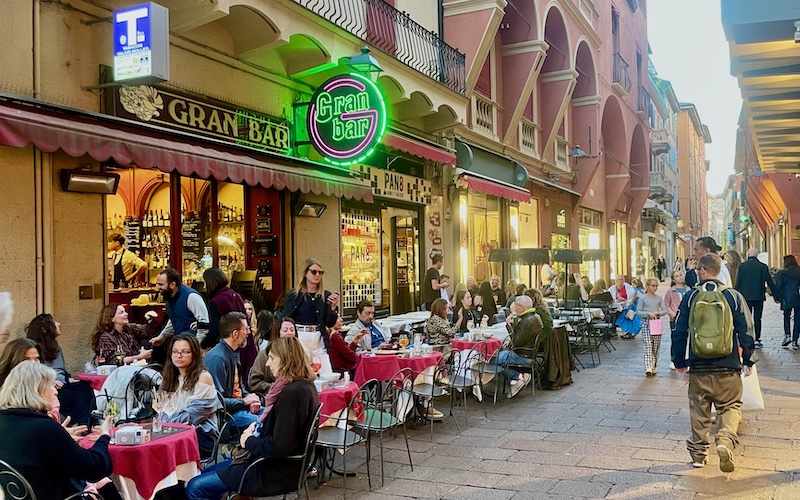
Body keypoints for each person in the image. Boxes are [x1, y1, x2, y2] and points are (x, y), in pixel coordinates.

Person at [185, 336, 319, 500]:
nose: (268, 363)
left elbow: (280, 446)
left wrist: (247, 441)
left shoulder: (293, 393)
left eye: (271, 358)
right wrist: (256, 428)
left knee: (195, 487)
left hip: (271, 471)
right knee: (204, 475)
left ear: (286, 359)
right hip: (278, 465)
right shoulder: (304, 386)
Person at [672, 253, 753, 472]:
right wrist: (748, 359)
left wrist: (679, 360)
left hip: (699, 366)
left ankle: (699, 455)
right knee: (731, 406)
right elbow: (746, 329)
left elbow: (679, 330)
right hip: (729, 366)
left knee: (699, 409)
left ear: (702, 271)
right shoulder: (733, 296)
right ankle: (725, 441)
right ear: (719, 270)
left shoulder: (690, 297)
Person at [0, 361, 114, 500]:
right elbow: (93, 469)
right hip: (57, 495)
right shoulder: (44, 428)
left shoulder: (8, 422)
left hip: (15, 495)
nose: (55, 391)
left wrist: (63, 436)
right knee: (105, 486)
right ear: (37, 389)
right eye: (52, 386)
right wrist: (104, 437)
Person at [159, 333, 221, 456]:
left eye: (185, 352)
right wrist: (167, 423)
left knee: (163, 449)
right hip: (174, 431)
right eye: (175, 352)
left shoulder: (203, 377)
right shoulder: (169, 378)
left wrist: (167, 423)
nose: (179, 356)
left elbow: (192, 416)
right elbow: (161, 411)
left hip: (201, 435)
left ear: (194, 354)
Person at [280, 259, 338, 374]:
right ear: (305, 273)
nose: (317, 275)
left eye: (320, 273)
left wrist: (333, 308)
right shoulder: (295, 294)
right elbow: (286, 316)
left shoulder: (325, 295)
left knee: (326, 372)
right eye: (314, 272)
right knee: (302, 372)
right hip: (301, 335)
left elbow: (329, 323)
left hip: (318, 336)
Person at [205, 311, 263, 429]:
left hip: (238, 409)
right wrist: (244, 402)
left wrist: (251, 400)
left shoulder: (233, 352)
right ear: (235, 334)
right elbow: (216, 401)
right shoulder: (217, 358)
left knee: (273, 416)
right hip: (227, 416)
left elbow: (240, 389)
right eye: (246, 329)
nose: (248, 332)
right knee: (265, 423)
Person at [495, 295, 543, 398]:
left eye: (515, 306)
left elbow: (515, 342)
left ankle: (517, 378)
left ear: (521, 308)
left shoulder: (526, 321)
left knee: (492, 360)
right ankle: (519, 378)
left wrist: (509, 325)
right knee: (498, 360)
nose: (514, 308)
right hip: (529, 354)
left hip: (522, 356)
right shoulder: (535, 317)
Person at [150, 268, 210, 346]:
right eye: (157, 284)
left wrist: (196, 347)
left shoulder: (191, 297)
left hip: (193, 345)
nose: (157, 287)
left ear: (172, 285)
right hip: (181, 344)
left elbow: (204, 324)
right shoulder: (170, 297)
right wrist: (162, 337)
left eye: (161, 284)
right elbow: (173, 319)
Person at [735, 248, 777, 349]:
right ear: (757, 255)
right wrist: (776, 295)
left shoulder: (742, 266)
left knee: (746, 318)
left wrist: (735, 294)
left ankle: (748, 338)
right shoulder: (763, 267)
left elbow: (738, 281)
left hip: (746, 297)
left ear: (748, 255)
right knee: (757, 318)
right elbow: (769, 282)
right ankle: (757, 339)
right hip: (759, 296)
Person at [91, 303, 159, 365]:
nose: (126, 314)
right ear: (112, 318)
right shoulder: (106, 337)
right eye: (121, 312)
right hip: (117, 373)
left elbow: (147, 331)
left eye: (125, 311)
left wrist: (150, 319)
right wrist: (140, 356)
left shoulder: (129, 328)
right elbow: (114, 361)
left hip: (136, 368)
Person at [249, 318, 298, 396]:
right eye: (285, 330)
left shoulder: (298, 354)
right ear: (277, 332)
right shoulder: (265, 354)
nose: (289, 333)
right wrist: (277, 387)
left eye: (292, 330)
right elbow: (255, 383)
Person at [203, 268, 247, 349]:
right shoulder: (236, 295)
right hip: (244, 342)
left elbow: (214, 331)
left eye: (205, 283)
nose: (204, 286)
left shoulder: (215, 302)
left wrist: (203, 344)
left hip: (228, 346)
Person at [636, 278, 667, 376]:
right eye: (653, 286)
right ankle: (648, 366)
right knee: (648, 344)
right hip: (646, 323)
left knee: (655, 345)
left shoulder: (658, 298)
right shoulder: (643, 298)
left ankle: (653, 364)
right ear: (647, 286)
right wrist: (648, 313)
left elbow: (664, 310)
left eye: (656, 286)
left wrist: (658, 313)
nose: (655, 288)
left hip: (656, 323)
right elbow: (638, 311)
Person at [774, 254, 800, 349]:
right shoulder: (799, 271)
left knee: (786, 317)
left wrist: (776, 297)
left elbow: (778, 287)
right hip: (798, 297)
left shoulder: (781, 273)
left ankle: (787, 336)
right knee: (798, 319)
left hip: (786, 297)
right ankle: (795, 341)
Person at [665, 271, 689, 335]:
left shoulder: (688, 289)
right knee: (676, 338)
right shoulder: (670, 291)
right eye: (677, 276)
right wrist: (673, 314)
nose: (680, 277)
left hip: (686, 317)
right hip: (675, 319)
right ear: (673, 280)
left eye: (680, 275)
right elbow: (666, 305)